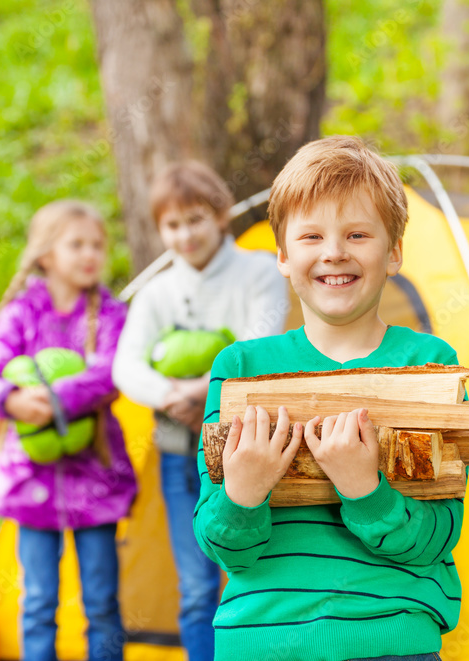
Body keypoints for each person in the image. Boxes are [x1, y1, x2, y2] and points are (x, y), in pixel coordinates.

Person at [193, 136, 464, 661]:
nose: (334, 251)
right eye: (312, 235)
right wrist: (244, 492)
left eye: (357, 234)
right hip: (259, 643)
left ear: (394, 253)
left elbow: (435, 540)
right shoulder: (239, 369)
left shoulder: (425, 365)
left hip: (390, 643)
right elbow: (222, 544)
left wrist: (364, 489)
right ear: (283, 256)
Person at [112, 161, 290, 661]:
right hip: (178, 451)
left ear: (219, 215)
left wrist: (201, 392)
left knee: (254, 577)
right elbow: (127, 366)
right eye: (172, 224)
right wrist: (174, 397)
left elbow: (260, 342)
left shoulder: (258, 271)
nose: (185, 234)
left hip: (247, 447)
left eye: (195, 219)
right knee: (195, 588)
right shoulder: (156, 294)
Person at [0, 200, 137, 661]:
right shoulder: (20, 314)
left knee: (102, 601)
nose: (91, 255)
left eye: (98, 246)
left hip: (96, 480)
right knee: (39, 602)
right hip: (32, 484)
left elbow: (110, 372)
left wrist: (56, 402)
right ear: (46, 255)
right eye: (77, 245)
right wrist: (13, 400)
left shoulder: (110, 315)